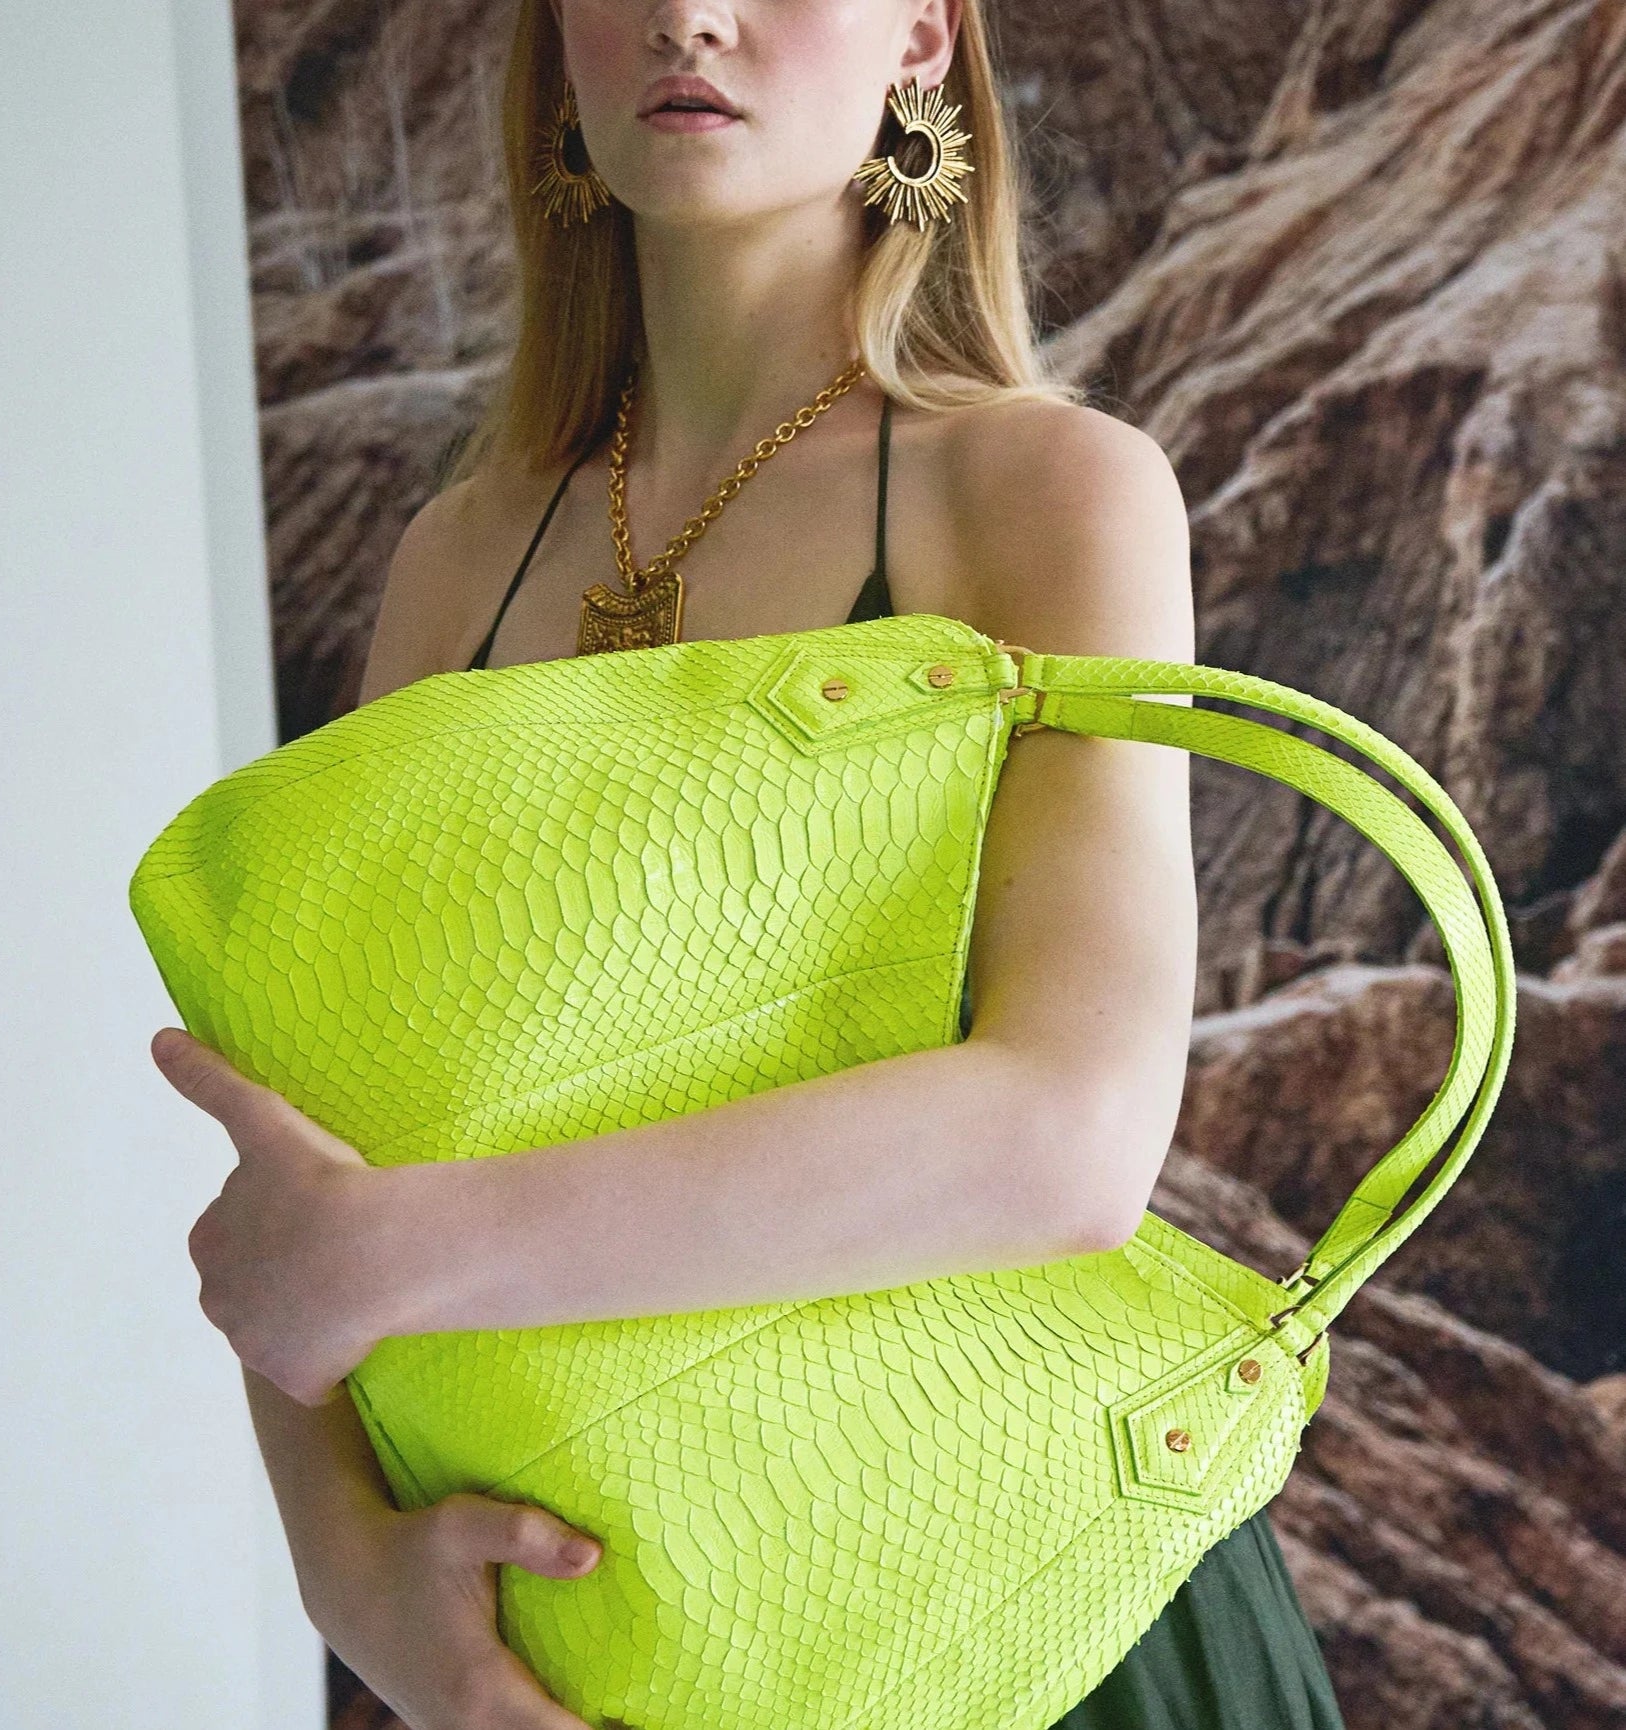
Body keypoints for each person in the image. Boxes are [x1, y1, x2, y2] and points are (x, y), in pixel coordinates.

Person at [164, 0, 1348, 1725]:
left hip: (1036, 1622)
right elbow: (319, 1144)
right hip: (626, 1645)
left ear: (923, 34)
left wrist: (393, 1254)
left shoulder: (1046, 491)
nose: (686, 15)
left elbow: (1067, 1136)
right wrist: (354, 1576)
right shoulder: (455, 562)